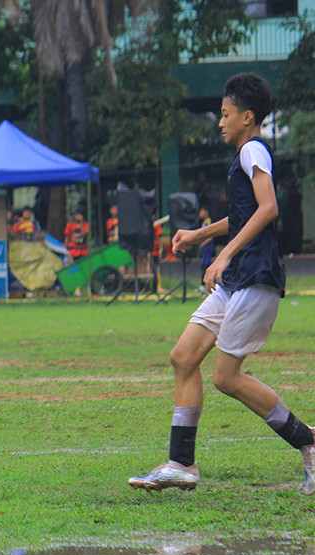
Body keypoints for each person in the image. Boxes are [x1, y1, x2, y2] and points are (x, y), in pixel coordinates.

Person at [128, 73, 314, 495]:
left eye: (226, 114)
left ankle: (308, 442)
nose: (220, 123)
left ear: (247, 117)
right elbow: (247, 213)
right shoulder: (248, 154)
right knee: (183, 357)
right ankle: (182, 464)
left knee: (226, 378)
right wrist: (200, 235)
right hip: (237, 278)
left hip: (255, 277)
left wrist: (225, 253)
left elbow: (268, 208)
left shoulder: (252, 148)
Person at [198, 205, 214, 281]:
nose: (200, 213)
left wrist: (203, 244)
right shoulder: (203, 222)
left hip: (208, 247)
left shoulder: (208, 221)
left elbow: (210, 236)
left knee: (206, 264)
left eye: (201, 211)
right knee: (203, 264)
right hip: (204, 248)